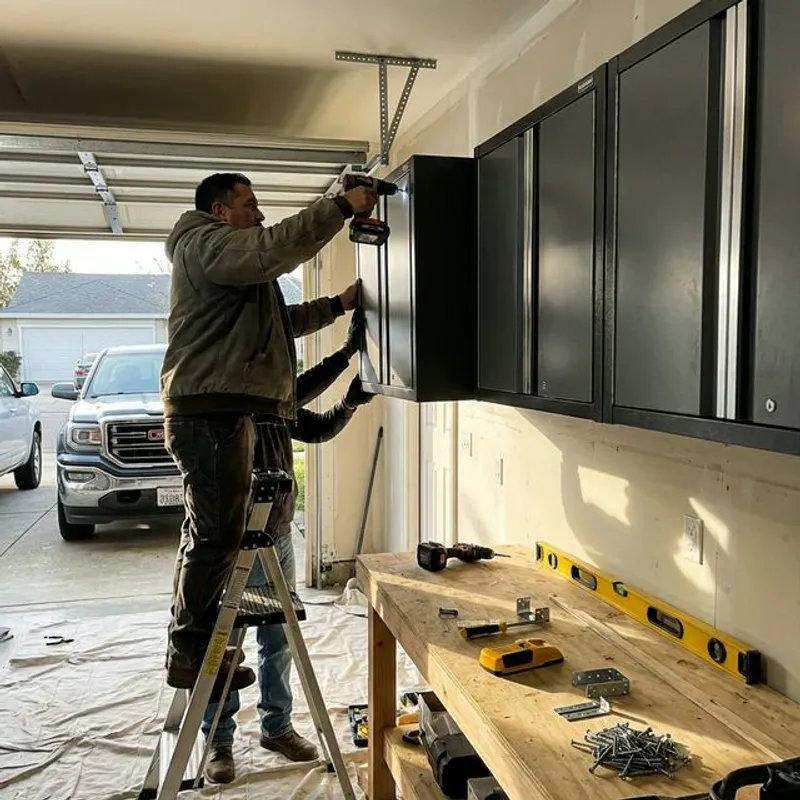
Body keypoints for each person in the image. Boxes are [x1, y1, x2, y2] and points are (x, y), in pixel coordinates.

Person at [161, 172, 377, 698]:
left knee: (211, 531)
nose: (258, 214)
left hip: (221, 408)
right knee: (216, 535)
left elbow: (282, 320)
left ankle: (193, 644)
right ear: (220, 212)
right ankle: (190, 654)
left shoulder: (229, 271)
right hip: (211, 411)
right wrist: (340, 207)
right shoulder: (204, 245)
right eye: (250, 204)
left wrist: (340, 305)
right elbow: (273, 248)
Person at [200, 318, 372, 784]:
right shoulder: (229, 397)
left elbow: (316, 428)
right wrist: (343, 354)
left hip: (274, 533)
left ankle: (276, 726)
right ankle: (218, 741)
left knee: (278, 638)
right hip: (231, 539)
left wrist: (351, 402)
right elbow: (299, 389)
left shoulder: (279, 403)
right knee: (225, 642)